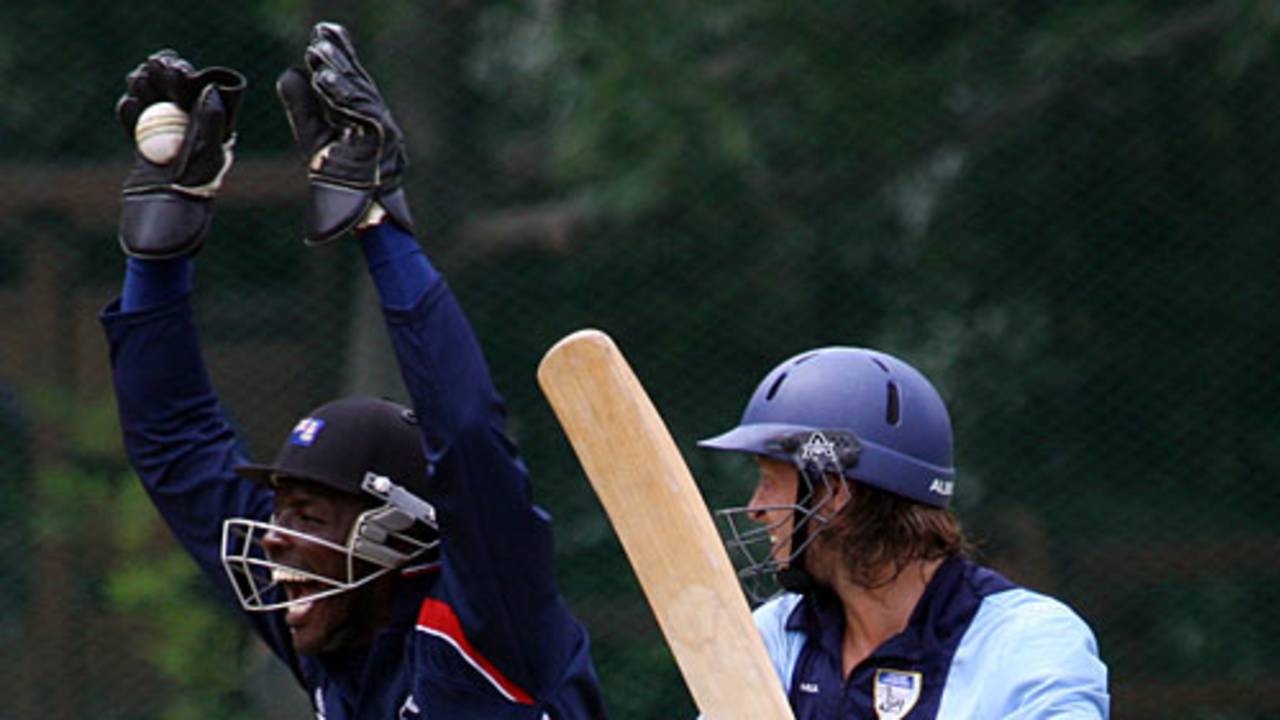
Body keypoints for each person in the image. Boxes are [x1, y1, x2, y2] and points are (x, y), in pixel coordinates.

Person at [102, 23, 607, 720]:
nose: (275, 535)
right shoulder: (334, 624)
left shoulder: (492, 613)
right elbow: (175, 445)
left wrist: (378, 220)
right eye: (281, 510)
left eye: (308, 514)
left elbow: (465, 435)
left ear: (395, 533)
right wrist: (154, 267)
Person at [698, 347, 1109, 719]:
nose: (756, 508)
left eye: (770, 480)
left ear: (835, 492)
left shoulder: (1028, 640)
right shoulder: (776, 635)